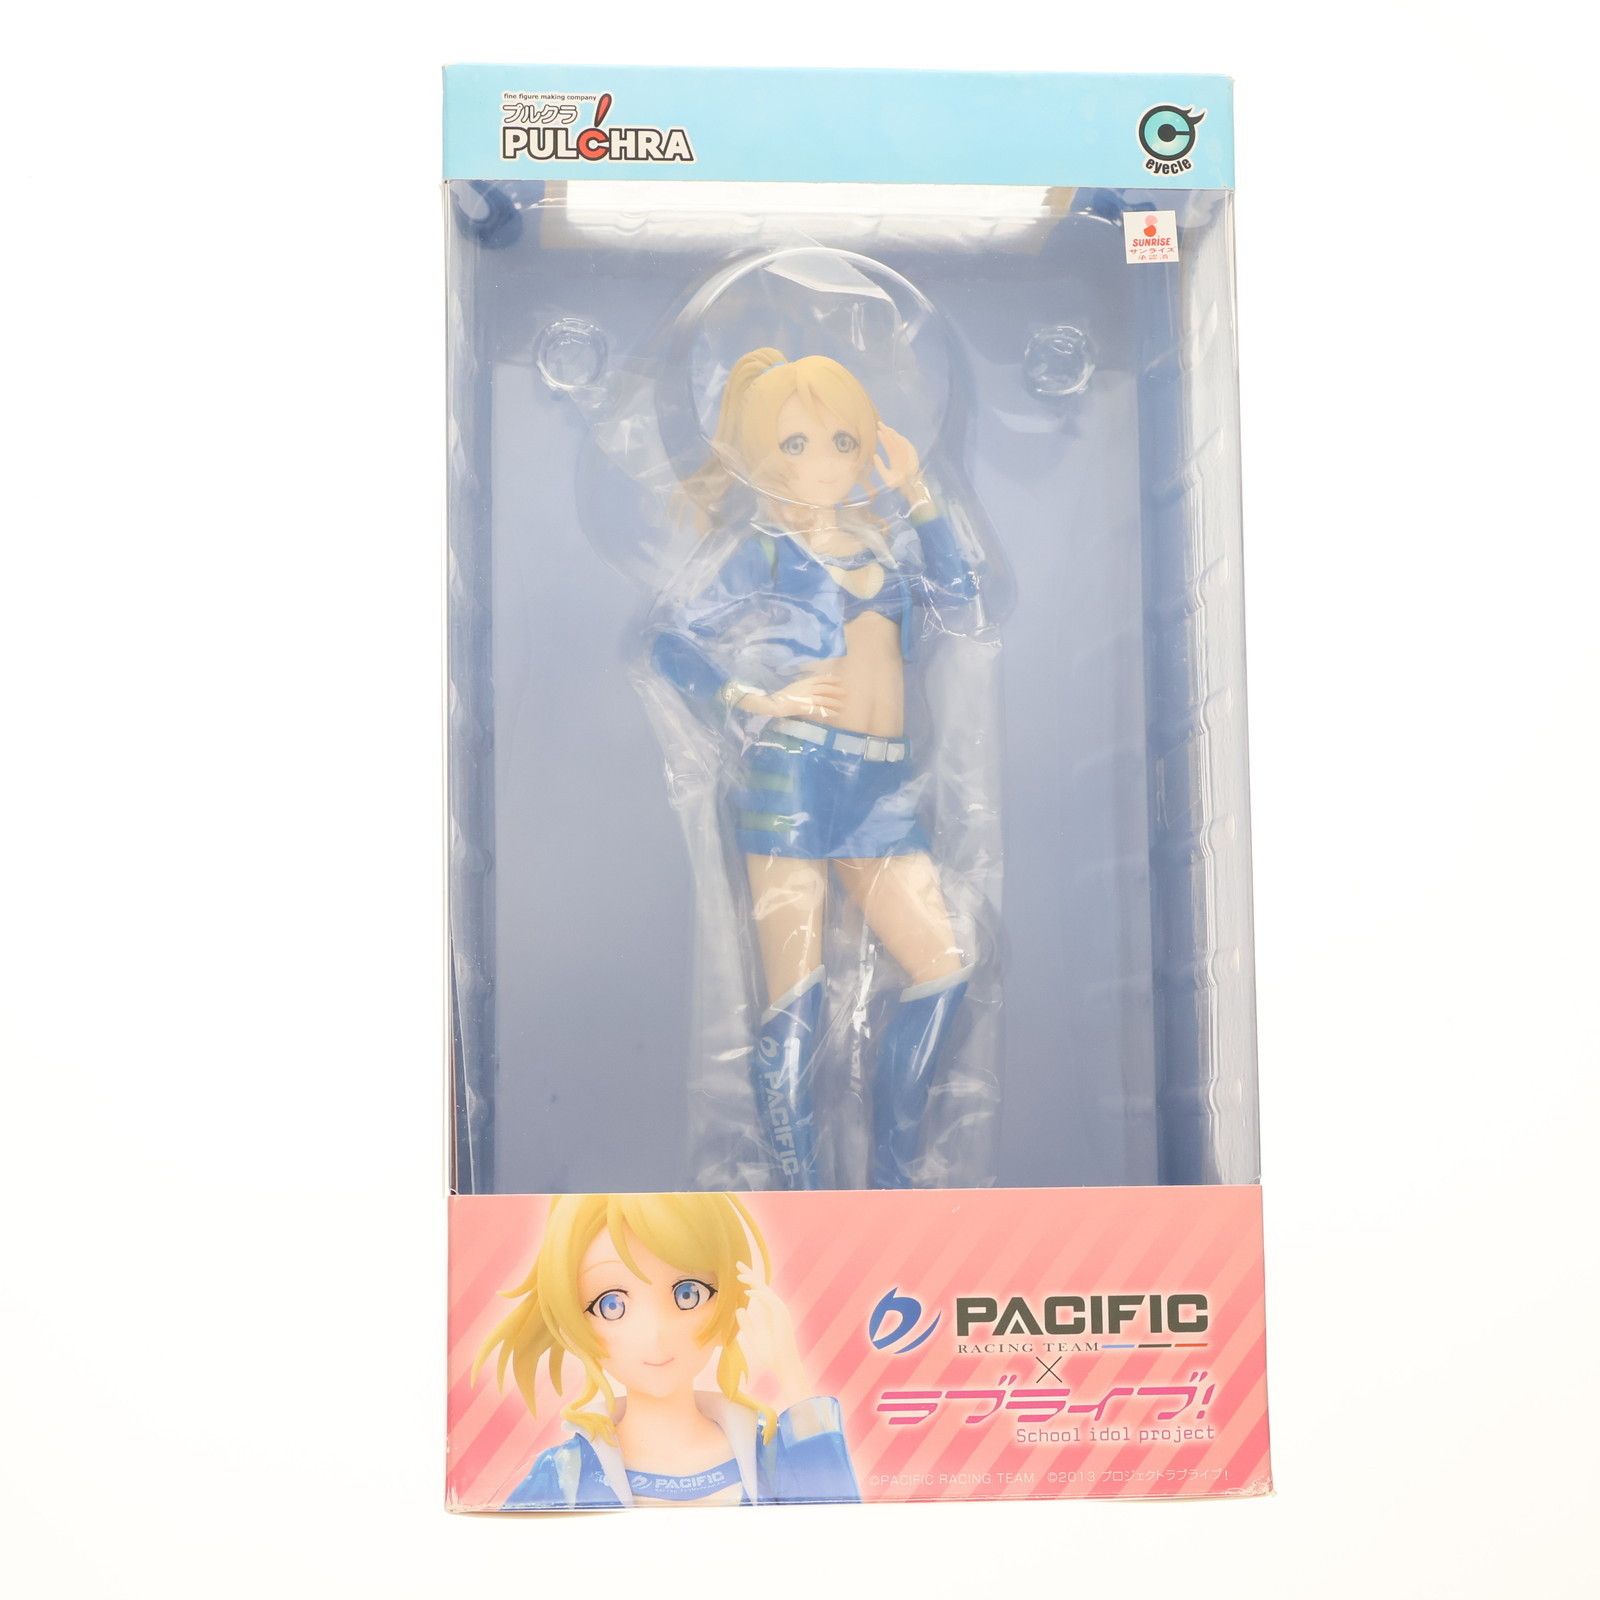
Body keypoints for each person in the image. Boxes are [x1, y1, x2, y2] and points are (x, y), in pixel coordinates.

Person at [648, 349, 983, 1188]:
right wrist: (752, 698)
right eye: (794, 444)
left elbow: (962, 598)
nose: (825, 462)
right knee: (796, 994)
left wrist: (918, 493)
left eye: (842, 439)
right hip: (794, 780)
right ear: (759, 455)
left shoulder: (887, 545)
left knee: (943, 966)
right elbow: (671, 642)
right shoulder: (758, 552)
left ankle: (892, 1185)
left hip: (883, 788)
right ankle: (801, 1202)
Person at [475, 1191, 859, 1509]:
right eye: (612, 1305)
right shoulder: (566, 1473)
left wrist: (790, 1372)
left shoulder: (767, 1457)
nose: (656, 1333)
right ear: (573, 1320)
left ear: (733, 1298)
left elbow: (840, 1536)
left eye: (688, 1294)